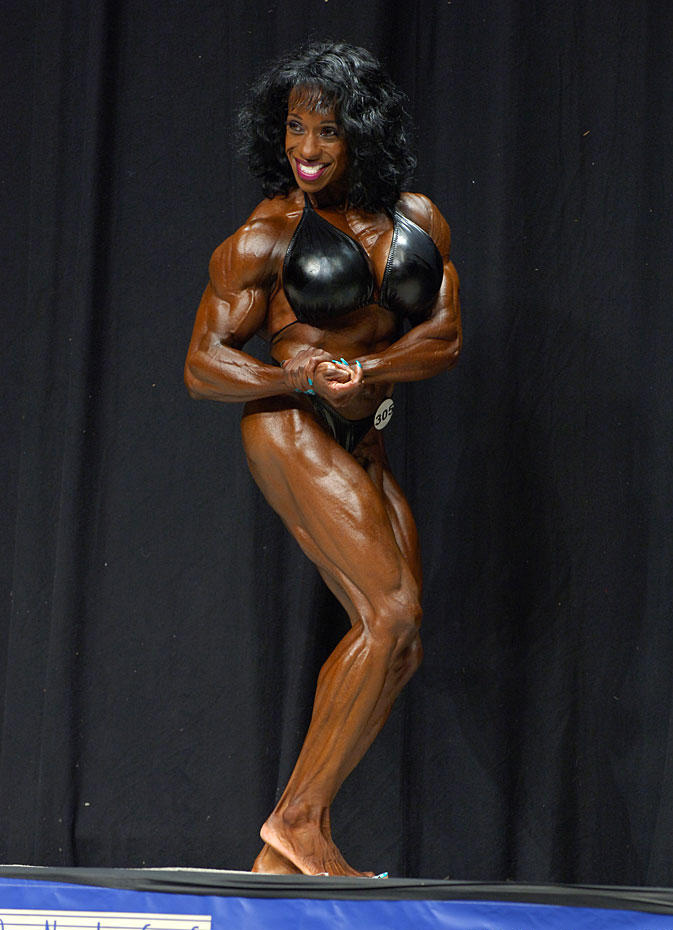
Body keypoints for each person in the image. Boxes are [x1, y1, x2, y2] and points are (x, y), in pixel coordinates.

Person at [184, 40, 461, 877]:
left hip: (361, 431)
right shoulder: (265, 234)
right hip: (286, 424)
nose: (305, 149)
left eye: (327, 131)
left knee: (400, 644)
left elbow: (443, 338)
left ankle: (284, 854)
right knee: (390, 612)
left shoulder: (419, 221)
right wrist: (297, 379)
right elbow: (202, 364)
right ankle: (296, 822)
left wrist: (368, 373)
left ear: (363, 133)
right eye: (294, 128)